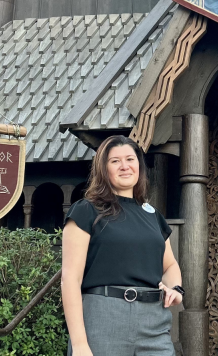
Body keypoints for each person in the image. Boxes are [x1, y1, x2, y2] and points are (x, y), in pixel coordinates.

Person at [62, 135, 184, 356]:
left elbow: (169, 266)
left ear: (139, 165)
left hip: (154, 322)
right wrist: (80, 344)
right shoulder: (85, 211)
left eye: (130, 159)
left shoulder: (153, 215)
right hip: (102, 319)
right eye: (115, 161)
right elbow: (70, 279)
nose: (125, 166)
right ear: (103, 168)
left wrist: (175, 289)